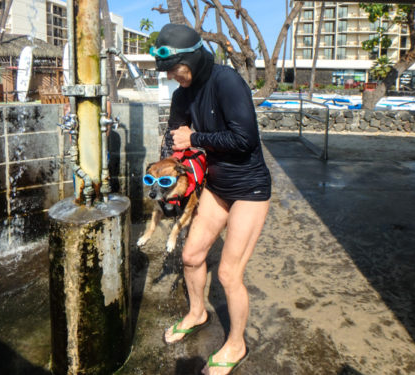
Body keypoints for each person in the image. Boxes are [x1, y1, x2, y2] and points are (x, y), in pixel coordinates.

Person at [150, 24, 271, 374]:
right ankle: (197, 312)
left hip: (249, 189)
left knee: (230, 274)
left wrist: (195, 136)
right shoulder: (181, 95)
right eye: (168, 72)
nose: (174, 76)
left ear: (194, 58)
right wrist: (169, 178)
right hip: (216, 188)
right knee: (191, 255)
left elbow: (244, 138)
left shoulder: (227, 82)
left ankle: (237, 343)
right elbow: (175, 142)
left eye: (177, 69)